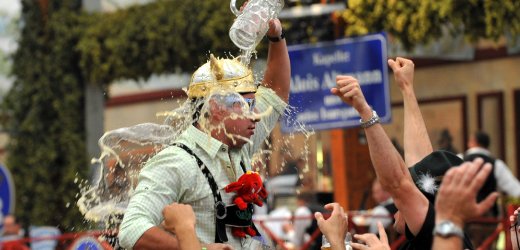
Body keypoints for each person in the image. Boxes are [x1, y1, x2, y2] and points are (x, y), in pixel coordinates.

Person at [118, 15, 290, 249]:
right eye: (247, 105)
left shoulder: (239, 142)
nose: (256, 115)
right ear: (217, 109)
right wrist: (199, 248)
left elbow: (277, 92)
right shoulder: (176, 162)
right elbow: (131, 231)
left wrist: (276, 34)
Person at [330, 57, 473, 249]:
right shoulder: (444, 236)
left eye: (408, 197)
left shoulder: (432, 232)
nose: (397, 205)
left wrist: (364, 111)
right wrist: (406, 88)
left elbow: (397, 183)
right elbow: (419, 162)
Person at [432, 157, 498, 250]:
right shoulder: (496, 163)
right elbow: (514, 188)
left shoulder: (462, 158)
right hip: (486, 221)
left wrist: (451, 219)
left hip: (469, 226)